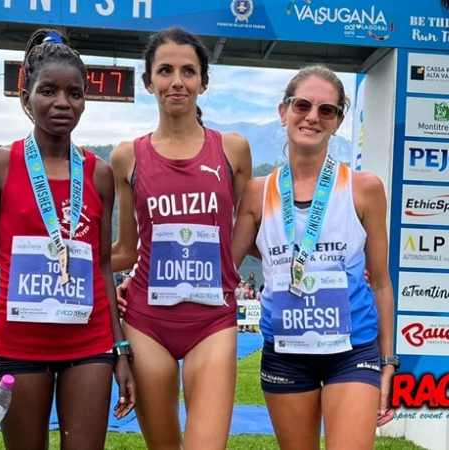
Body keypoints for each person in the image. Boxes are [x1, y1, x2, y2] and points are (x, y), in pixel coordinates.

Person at [0, 28, 135, 450]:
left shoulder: (98, 174)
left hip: (90, 342)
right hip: (19, 345)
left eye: (74, 94)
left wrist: (121, 351)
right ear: (26, 98)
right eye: (48, 91)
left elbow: (102, 267)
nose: (62, 103)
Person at [231, 65, 396, 450]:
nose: (312, 116)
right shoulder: (257, 192)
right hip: (286, 353)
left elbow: (382, 282)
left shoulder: (365, 189)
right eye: (302, 105)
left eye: (327, 110)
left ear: (338, 122)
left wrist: (389, 361)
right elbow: (226, 266)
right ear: (283, 111)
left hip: (352, 351)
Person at [110, 27, 253, 450]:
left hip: (212, 320)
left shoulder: (232, 150)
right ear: (148, 81)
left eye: (188, 71)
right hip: (146, 321)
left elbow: (255, 230)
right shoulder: (126, 156)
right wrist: (66, 260)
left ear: (203, 83)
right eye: (166, 70)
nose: (177, 81)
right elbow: (125, 250)